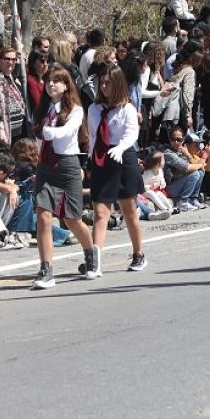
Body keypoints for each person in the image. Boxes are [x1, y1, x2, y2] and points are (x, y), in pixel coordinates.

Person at [28, 66, 96, 289]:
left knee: (72, 219)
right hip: (45, 167)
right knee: (44, 217)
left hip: (66, 166)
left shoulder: (75, 110)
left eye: (57, 81)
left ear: (66, 85)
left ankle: (90, 252)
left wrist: (50, 132)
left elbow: (68, 132)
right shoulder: (41, 111)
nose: (51, 84)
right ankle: (46, 268)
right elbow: (38, 141)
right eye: (48, 80)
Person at [85, 66, 147, 275]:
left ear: (118, 84)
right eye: (101, 83)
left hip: (123, 157)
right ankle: (95, 261)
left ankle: (139, 253)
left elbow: (131, 134)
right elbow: (93, 136)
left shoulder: (127, 109)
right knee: (100, 212)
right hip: (102, 158)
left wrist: (120, 148)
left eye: (108, 83)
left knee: (129, 211)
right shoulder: (94, 109)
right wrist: (91, 159)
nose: (103, 87)